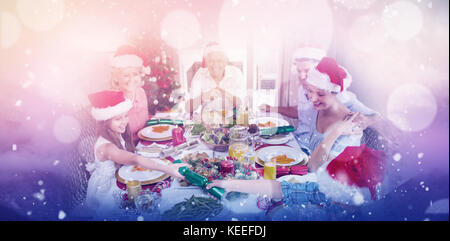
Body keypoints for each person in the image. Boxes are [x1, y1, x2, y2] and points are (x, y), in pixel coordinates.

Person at [208, 58, 378, 209]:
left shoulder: (351, 128)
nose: (311, 98)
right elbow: (311, 165)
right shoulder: (320, 108)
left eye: (319, 93)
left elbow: (315, 178)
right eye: (309, 91)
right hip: (307, 173)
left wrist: (337, 131)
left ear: (336, 92)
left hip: (322, 194)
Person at [259, 47, 398, 147]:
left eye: (306, 71)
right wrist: (272, 108)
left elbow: (378, 119)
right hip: (297, 142)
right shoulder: (305, 89)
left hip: (314, 153)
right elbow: (301, 111)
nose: (301, 76)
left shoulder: (343, 98)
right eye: (299, 70)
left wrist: (367, 120)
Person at [85, 90, 188, 217]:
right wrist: (166, 168)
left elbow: (132, 154)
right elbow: (134, 158)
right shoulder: (106, 147)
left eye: (125, 116)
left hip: (121, 179)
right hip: (107, 191)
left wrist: (157, 154)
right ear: (105, 121)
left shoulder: (116, 132)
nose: (124, 121)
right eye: (118, 119)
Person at [186, 42, 246, 124]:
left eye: (219, 61)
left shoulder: (236, 73)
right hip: (208, 124)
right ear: (206, 62)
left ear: (226, 61)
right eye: (211, 61)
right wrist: (204, 96)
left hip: (232, 122)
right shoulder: (200, 75)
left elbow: (241, 103)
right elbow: (188, 108)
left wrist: (224, 93)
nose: (215, 65)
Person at [110, 45, 150, 145]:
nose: (132, 80)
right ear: (116, 78)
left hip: (146, 145)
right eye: (126, 75)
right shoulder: (112, 101)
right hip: (125, 152)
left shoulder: (141, 93)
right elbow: (114, 142)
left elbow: (144, 126)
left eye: (135, 74)